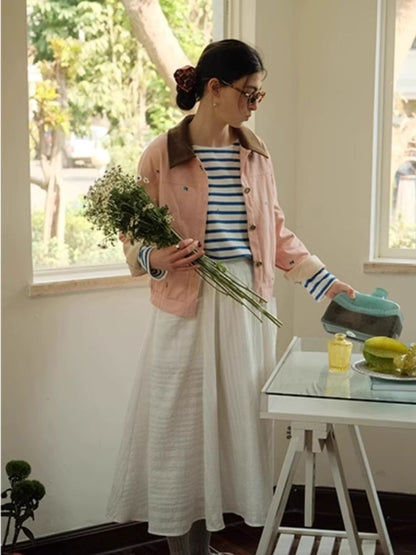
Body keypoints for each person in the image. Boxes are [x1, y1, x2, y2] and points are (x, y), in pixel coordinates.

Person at [107, 39, 355, 555]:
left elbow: (276, 232)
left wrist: (325, 282)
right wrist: (154, 257)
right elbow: (133, 234)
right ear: (214, 89)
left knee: (232, 430)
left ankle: (208, 547)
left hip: (247, 308)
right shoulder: (161, 153)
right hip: (187, 309)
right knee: (180, 435)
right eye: (249, 93)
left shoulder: (256, 152)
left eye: (260, 95)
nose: (254, 104)